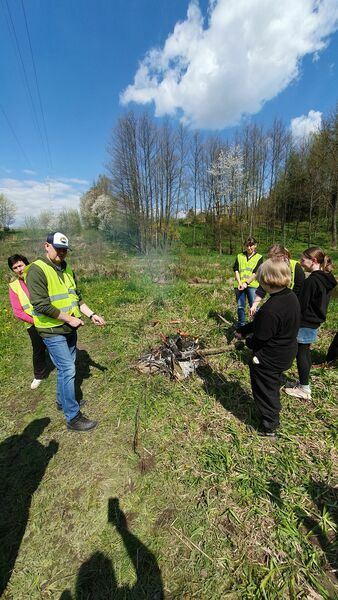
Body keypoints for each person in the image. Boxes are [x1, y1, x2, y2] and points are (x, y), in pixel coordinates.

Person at [25, 232, 106, 432]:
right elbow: (40, 305)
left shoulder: (67, 268)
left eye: (65, 250)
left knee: (64, 368)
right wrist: (70, 318)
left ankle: (63, 401)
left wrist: (91, 314)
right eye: (58, 248)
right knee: (68, 369)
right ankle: (73, 417)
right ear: (46, 246)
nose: (62, 253)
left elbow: (76, 297)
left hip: (69, 328)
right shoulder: (37, 269)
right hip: (51, 329)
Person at [237, 259, 300, 437]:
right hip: (287, 351)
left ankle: (269, 426)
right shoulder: (289, 296)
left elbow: (260, 339)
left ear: (266, 280)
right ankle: (271, 415)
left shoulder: (270, 309)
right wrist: (244, 330)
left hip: (269, 358)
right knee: (271, 385)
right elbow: (263, 324)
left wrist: (246, 343)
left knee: (265, 390)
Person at [284, 247, 336, 400]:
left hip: (305, 322)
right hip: (314, 321)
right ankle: (303, 384)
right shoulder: (326, 278)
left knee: (301, 353)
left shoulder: (312, 281)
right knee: (305, 352)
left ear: (313, 261)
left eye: (303, 259)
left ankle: (304, 389)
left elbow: (301, 305)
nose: (300, 262)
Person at [8, 254, 48, 389]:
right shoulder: (14, 286)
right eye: (15, 268)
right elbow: (18, 311)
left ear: (26, 264)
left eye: (20, 265)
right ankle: (39, 375)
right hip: (33, 324)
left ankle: (64, 367)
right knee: (38, 349)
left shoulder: (38, 277)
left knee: (57, 343)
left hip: (50, 318)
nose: (19, 269)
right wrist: (36, 321)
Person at [249, 244, 305, 317]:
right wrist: (254, 304)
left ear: (283, 256)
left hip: (292, 304)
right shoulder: (271, 267)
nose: (271, 261)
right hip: (277, 301)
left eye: (273, 258)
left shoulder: (295, 266)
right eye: (269, 258)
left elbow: (300, 288)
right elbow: (263, 287)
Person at [233, 236, 263, 327]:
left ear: (255, 245)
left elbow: (256, 272)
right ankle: (241, 326)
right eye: (247, 245)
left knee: (254, 306)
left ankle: (257, 326)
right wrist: (239, 283)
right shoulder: (239, 256)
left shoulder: (259, 257)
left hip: (252, 285)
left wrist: (246, 283)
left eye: (251, 245)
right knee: (240, 307)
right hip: (239, 285)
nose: (249, 247)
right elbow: (236, 269)